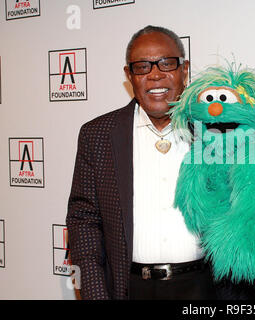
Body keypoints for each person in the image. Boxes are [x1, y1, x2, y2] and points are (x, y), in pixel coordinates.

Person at [66, 25, 216, 300]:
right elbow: (83, 222)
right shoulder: (97, 135)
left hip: (205, 288)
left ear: (185, 69)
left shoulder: (218, 131)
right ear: (129, 75)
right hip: (130, 289)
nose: (155, 75)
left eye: (166, 63)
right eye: (142, 67)